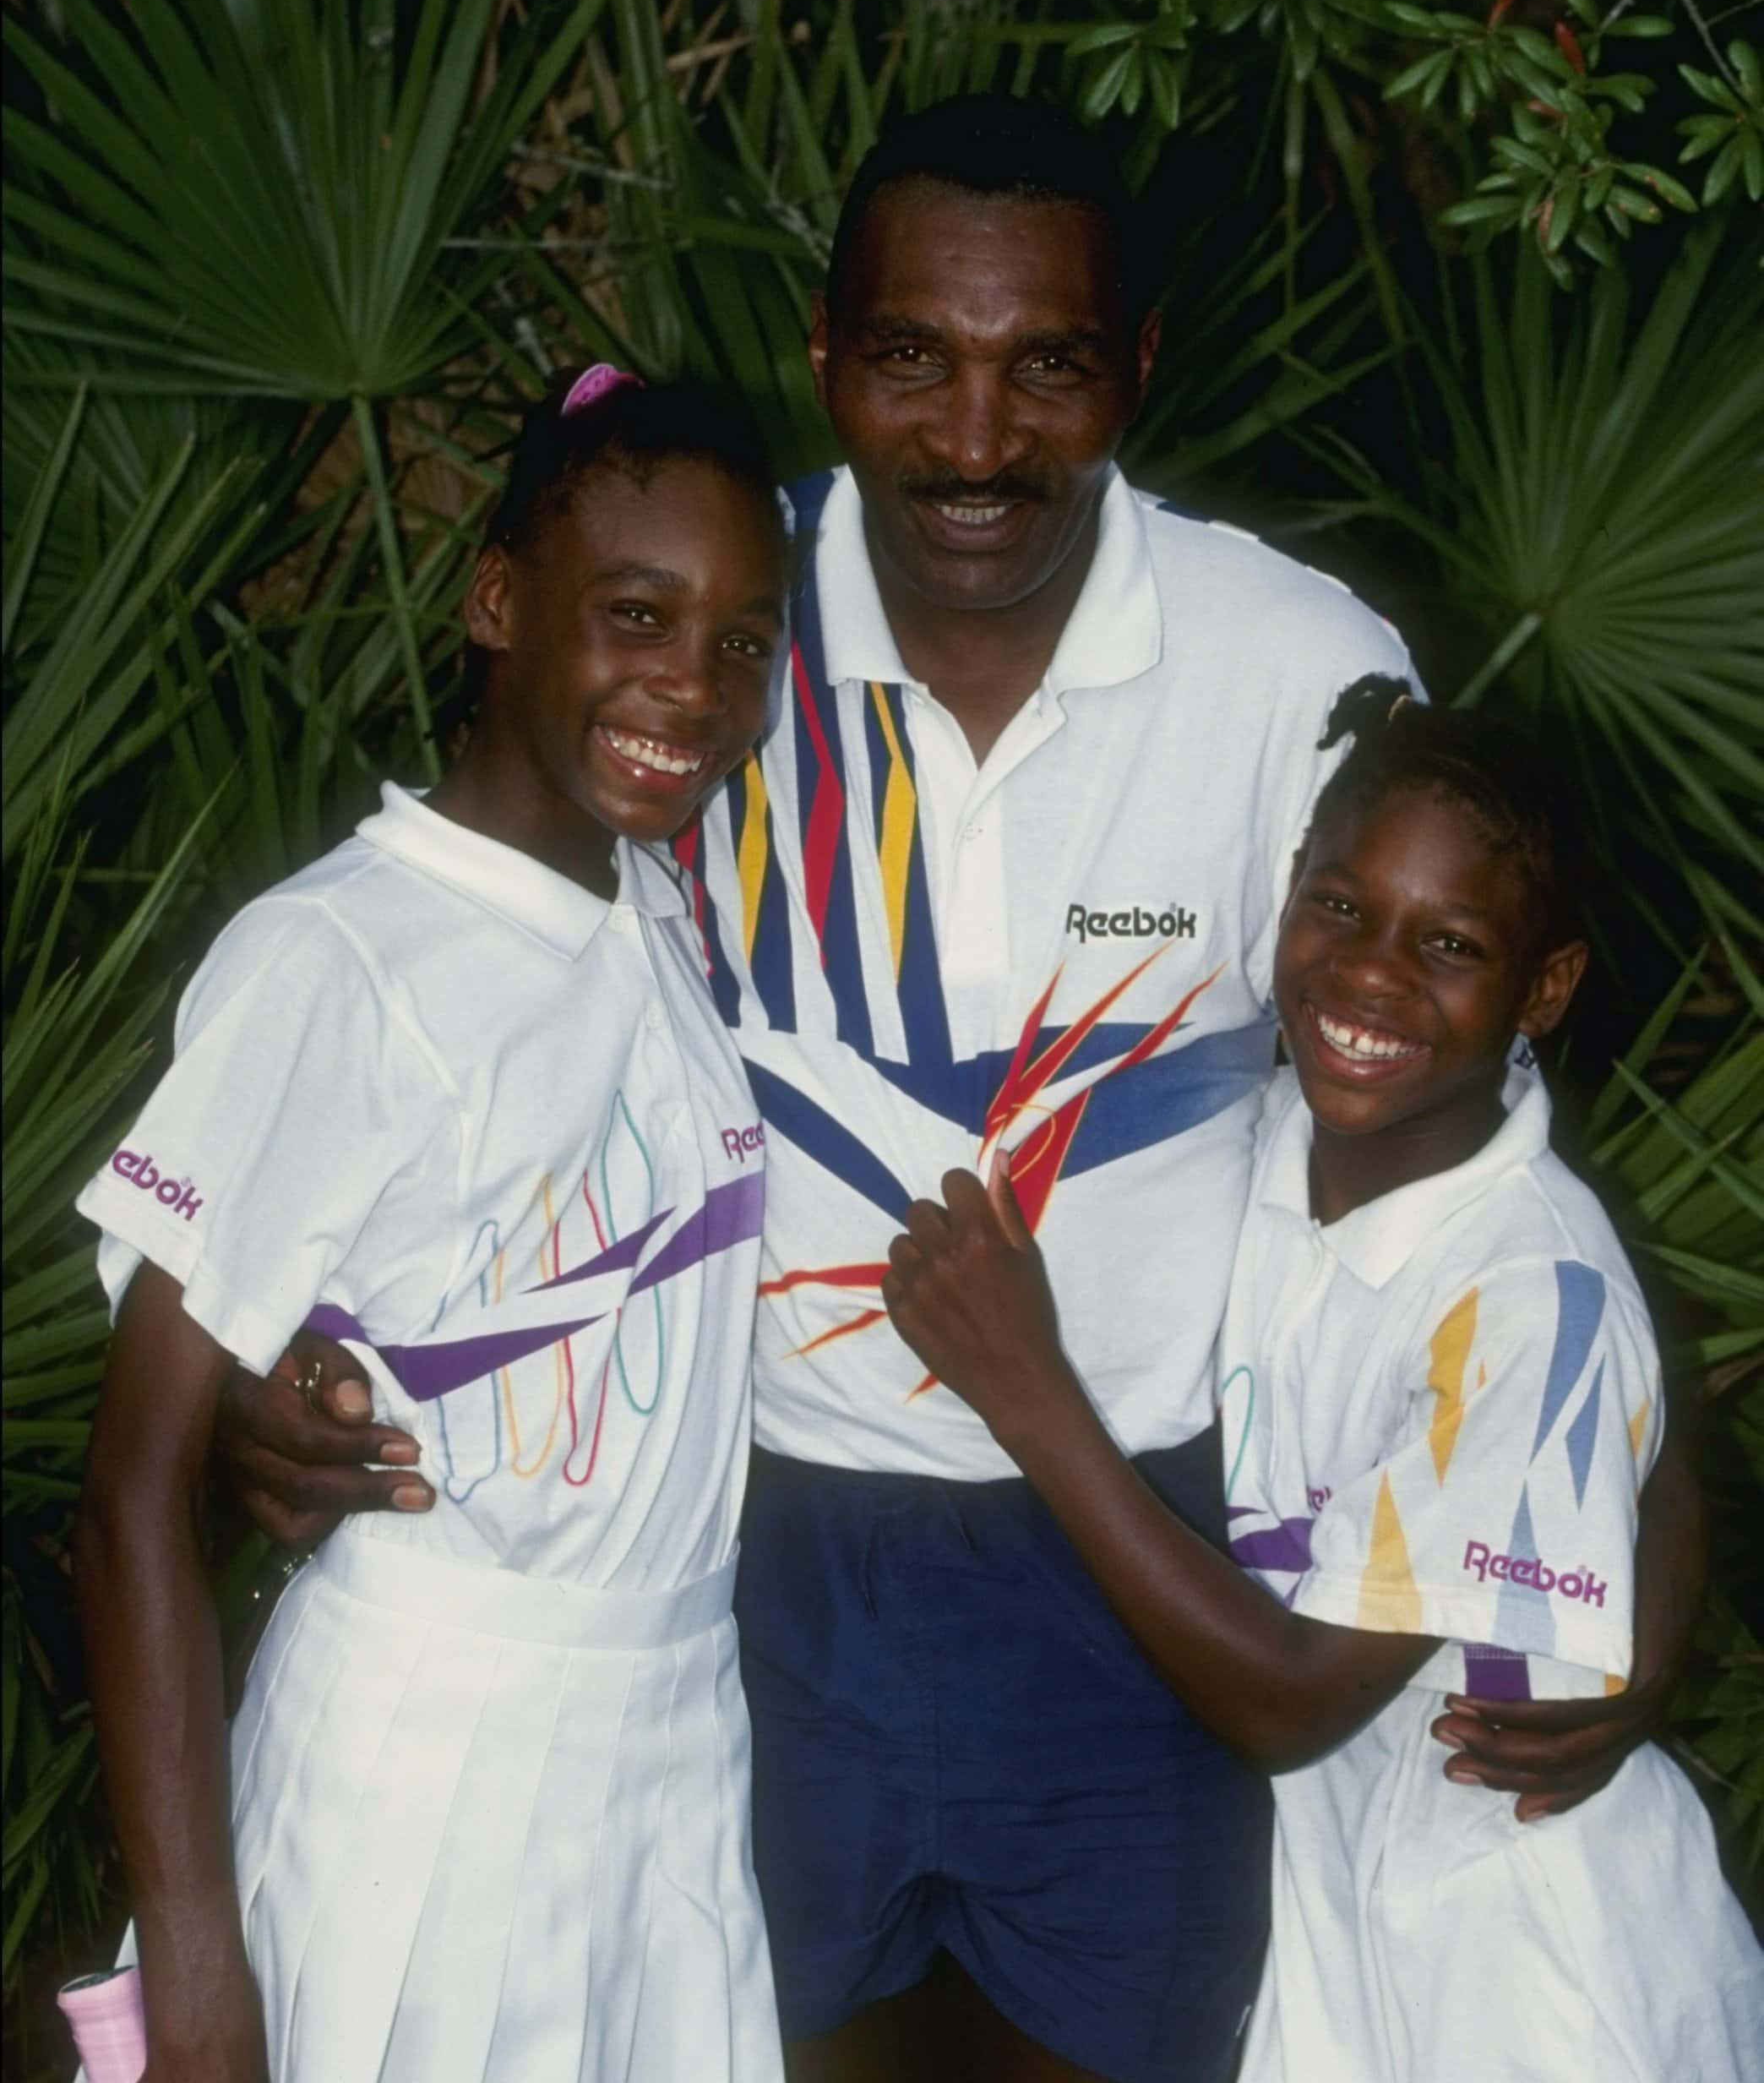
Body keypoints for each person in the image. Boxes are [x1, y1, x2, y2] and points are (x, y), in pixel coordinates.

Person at [212, 101, 1702, 2083]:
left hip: (1146, 1569)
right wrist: (302, 1361)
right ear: (830, 359)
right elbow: (482, 994)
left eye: (1049, 366)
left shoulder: (1296, 662)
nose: (979, 440)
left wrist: (1654, 1567)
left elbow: (1481, 1169)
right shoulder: (714, 623)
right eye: (915, 358)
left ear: (1134, 370)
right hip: (755, 1565)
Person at [883, 676, 1764, 2082]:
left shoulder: (1531, 1289)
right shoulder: (1270, 1132)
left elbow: (1292, 1699)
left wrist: (1027, 1393)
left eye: (1452, 944)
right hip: (1331, 1912)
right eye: (1342, 908)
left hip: (1522, 1943)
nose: (1371, 976)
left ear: (1545, 986)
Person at [72, 373, 792, 2083]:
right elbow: (129, 1494)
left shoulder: (655, 905)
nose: (692, 690)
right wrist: (196, 1978)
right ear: (495, 604)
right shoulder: (341, 960)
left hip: (674, 1746)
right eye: (636, 617)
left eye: (746, 642)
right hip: (437, 1755)